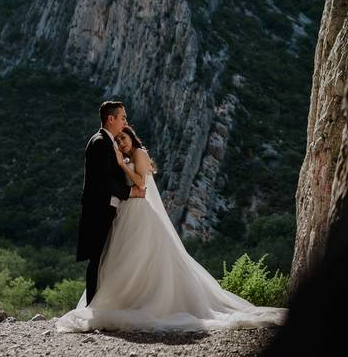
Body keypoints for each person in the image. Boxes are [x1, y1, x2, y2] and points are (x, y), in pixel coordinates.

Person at [58, 116, 287, 332]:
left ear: (132, 137)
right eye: (118, 140)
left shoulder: (139, 153)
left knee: (142, 256)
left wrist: (122, 163)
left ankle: (146, 300)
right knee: (126, 257)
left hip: (140, 212)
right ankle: (125, 298)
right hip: (126, 212)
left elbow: (141, 183)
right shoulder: (126, 156)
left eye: (124, 138)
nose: (121, 142)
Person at [75, 101, 146, 306]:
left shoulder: (108, 142)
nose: (125, 121)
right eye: (122, 117)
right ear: (111, 118)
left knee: (103, 259)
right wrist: (130, 192)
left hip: (107, 209)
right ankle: (92, 308)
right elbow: (103, 181)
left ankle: (100, 305)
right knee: (97, 260)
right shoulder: (100, 142)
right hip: (99, 210)